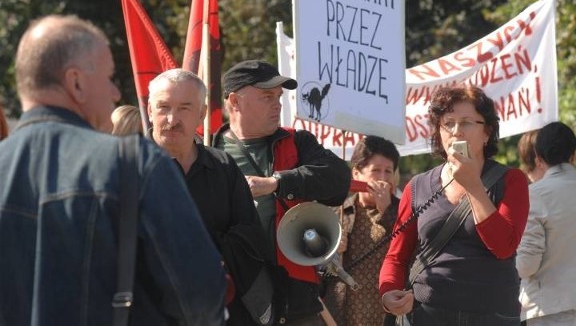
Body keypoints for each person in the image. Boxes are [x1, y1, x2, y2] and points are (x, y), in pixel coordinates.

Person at [0, 15, 226, 326]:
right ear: (76, 82)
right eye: (109, 78)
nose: (116, 93)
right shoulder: (133, 163)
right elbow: (200, 299)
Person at [212, 59, 351, 325]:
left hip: (295, 298)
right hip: (234, 299)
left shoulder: (298, 141)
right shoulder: (208, 152)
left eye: (279, 97)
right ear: (235, 101)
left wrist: (277, 182)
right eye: (267, 97)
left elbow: (338, 181)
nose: (278, 104)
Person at [379, 84, 529, 326]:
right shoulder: (417, 186)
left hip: (492, 315)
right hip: (428, 314)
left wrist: (474, 187)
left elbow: (503, 247)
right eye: (448, 123)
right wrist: (388, 293)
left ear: (487, 132)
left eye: (467, 122)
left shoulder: (511, 180)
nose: (457, 131)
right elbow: (396, 257)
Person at [147, 68, 271, 326]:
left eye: (184, 108)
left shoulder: (223, 167)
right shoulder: (128, 168)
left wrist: (214, 254)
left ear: (201, 114)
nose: (172, 118)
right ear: (149, 111)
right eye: (163, 107)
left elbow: (250, 235)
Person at [517, 121, 576, 326]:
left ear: (539, 159)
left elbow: (526, 265)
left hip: (550, 308)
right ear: (573, 155)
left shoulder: (535, 194)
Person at [323, 135, 401, 326]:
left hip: (385, 315)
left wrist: (387, 212)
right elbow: (316, 269)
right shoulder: (336, 212)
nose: (383, 179)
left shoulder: (404, 212)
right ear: (356, 173)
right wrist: (331, 252)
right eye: (375, 171)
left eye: (388, 171)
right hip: (339, 314)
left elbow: (407, 254)